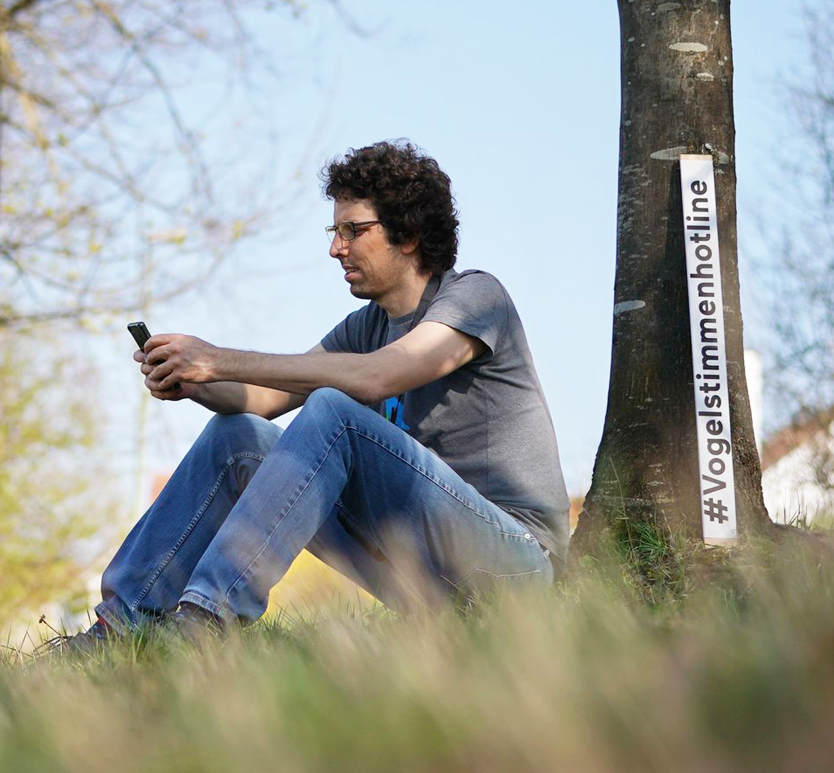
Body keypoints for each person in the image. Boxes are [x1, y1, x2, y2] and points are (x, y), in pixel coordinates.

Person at [65, 140, 567, 646]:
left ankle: (203, 623)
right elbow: (262, 399)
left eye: (354, 230)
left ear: (409, 234)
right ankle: (120, 625)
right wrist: (193, 378)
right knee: (236, 433)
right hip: (423, 578)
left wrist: (218, 357)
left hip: (516, 565)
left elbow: (381, 377)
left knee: (335, 410)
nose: (336, 248)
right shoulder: (366, 328)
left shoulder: (477, 297)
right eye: (335, 231)